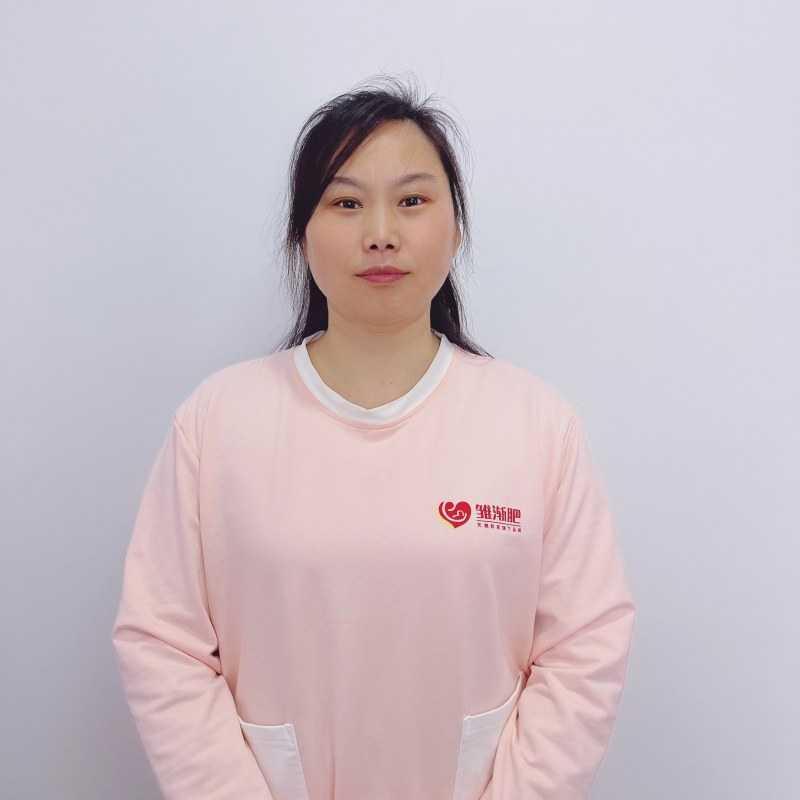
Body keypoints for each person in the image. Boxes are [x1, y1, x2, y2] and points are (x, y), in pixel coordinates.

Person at [111, 75, 637, 800]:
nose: (381, 233)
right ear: (301, 233)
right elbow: (162, 643)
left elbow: (584, 646)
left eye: (412, 201)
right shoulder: (218, 420)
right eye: (346, 202)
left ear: (456, 227)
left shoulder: (535, 423)